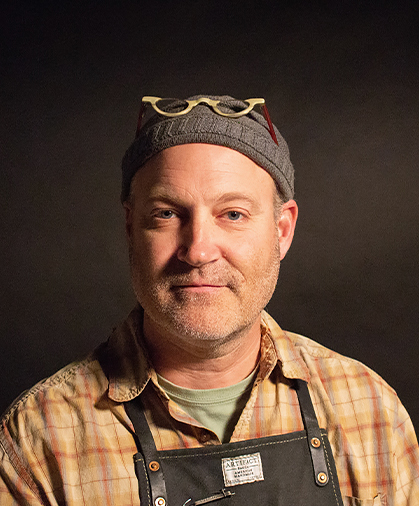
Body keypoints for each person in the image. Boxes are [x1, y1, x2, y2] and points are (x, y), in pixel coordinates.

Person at [0, 95, 418, 506]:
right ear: (131, 228)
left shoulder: (371, 411)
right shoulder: (38, 442)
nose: (198, 250)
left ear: (282, 230)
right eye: (166, 213)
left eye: (233, 214)